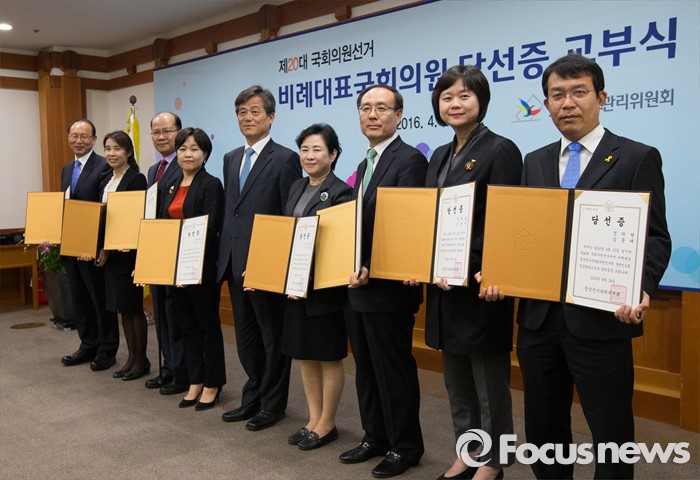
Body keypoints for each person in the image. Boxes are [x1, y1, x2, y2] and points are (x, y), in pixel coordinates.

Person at [482, 53, 671, 479]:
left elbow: (656, 237)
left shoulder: (636, 157)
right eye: (557, 95)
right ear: (546, 104)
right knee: (544, 427)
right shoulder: (535, 160)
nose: (567, 103)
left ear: (601, 98)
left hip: (602, 319)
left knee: (610, 431)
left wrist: (640, 288)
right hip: (539, 321)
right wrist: (497, 269)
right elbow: (523, 233)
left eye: (578, 92)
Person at [405, 65, 522, 480]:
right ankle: (467, 451)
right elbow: (430, 218)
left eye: (464, 96)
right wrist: (423, 261)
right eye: (447, 97)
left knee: (489, 384)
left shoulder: (501, 149)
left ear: (481, 101)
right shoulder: (439, 154)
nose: (455, 104)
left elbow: (506, 220)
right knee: (456, 380)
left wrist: (476, 267)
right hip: (442, 286)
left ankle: (493, 461)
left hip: (480, 285)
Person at [339, 85, 427, 478]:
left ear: (399, 115)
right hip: (357, 285)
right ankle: (374, 435)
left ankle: (405, 446)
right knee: (366, 368)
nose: (372, 115)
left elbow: (404, 225)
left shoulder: (409, 159)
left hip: (388, 287)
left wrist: (371, 266)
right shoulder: (365, 163)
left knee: (393, 370)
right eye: (365, 108)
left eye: (381, 108)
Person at [217, 85, 301, 430]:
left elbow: (286, 215)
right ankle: (252, 395)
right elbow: (232, 212)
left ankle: (273, 404)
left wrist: (272, 263)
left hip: (265, 265)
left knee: (272, 337)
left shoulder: (285, 158)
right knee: (246, 338)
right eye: (242, 112)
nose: (247, 118)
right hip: (234, 263)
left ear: (271, 117)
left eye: (255, 111)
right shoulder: (231, 157)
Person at [282, 124, 351, 451]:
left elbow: (339, 243)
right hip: (295, 285)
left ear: (333, 154)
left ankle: (327, 422)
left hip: (324, 287)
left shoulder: (341, 192)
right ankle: (313, 418)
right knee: (305, 354)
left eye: (317, 150)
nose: (309, 156)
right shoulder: (296, 186)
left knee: (327, 355)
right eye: (305, 150)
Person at [161, 127, 226, 411]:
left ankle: (213, 382)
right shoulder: (171, 184)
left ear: (205, 154)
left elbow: (210, 229)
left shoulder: (211, 185)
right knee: (186, 326)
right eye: (183, 149)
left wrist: (188, 268)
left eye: (195, 149)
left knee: (207, 326)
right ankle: (195, 379)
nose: (188, 154)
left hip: (200, 270)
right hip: (173, 268)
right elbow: (163, 226)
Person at [59, 119, 119, 371]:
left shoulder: (103, 166)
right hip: (71, 245)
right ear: (68, 138)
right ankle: (88, 343)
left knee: (99, 299)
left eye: (84, 136)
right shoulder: (67, 168)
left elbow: (108, 209)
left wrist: (102, 245)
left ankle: (107, 348)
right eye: (74, 135)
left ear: (94, 140)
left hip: (93, 248)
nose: (79, 140)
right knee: (80, 298)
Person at [99, 130, 150, 381]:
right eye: (108, 148)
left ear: (128, 152)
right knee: (123, 309)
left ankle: (141, 360)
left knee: (133, 307)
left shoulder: (136, 178)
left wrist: (124, 241)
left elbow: (135, 216)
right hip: (113, 252)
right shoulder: (107, 180)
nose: (112, 153)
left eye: (117, 148)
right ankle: (131, 358)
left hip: (129, 253)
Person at [144, 112, 189, 396]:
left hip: (178, 251)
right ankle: (168, 367)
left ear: (179, 133)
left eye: (167, 131)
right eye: (156, 132)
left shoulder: (185, 164)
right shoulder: (153, 170)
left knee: (176, 315)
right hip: (156, 250)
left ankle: (181, 372)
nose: (161, 137)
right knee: (160, 311)